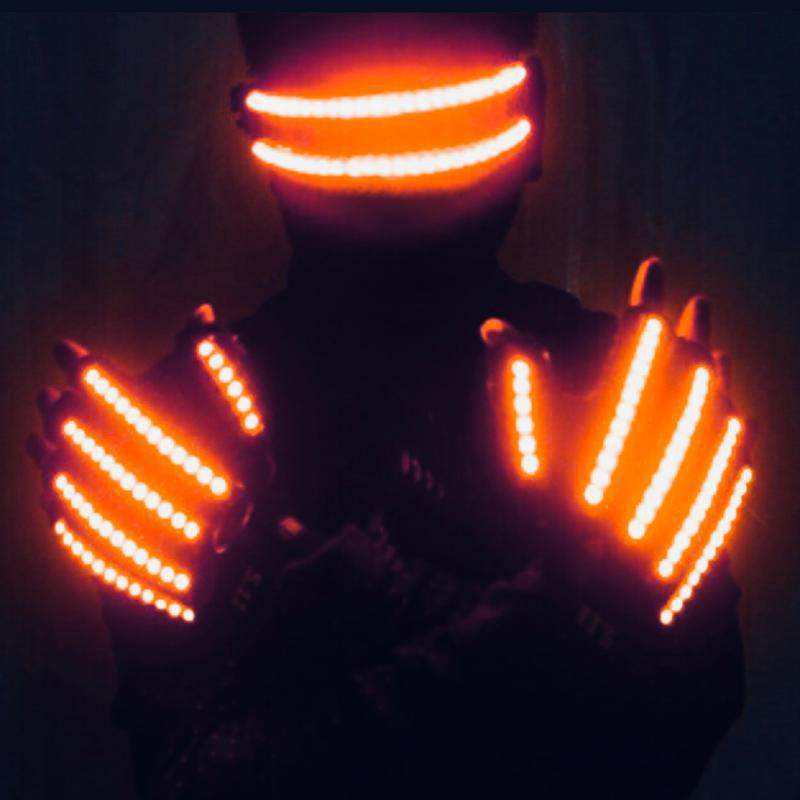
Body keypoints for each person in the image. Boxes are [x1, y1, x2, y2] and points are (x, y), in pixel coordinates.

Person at [29, 13, 747, 798]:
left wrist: (288, 602)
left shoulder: (634, 407)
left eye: (445, 122)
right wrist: (567, 618)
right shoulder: (173, 445)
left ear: (532, 111)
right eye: (343, 127)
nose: (396, 183)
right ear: (256, 133)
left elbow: (682, 729)